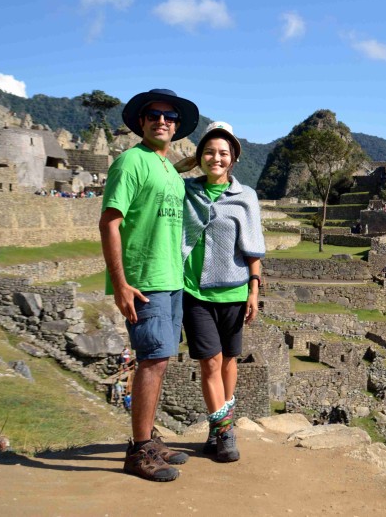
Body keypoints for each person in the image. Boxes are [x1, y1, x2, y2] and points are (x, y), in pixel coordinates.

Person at [99, 88, 199, 482]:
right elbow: (110, 222)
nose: (162, 121)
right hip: (145, 282)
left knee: (160, 361)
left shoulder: (167, 169)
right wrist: (120, 283)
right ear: (141, 122)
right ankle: (140, 451)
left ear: (176, 125)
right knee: (151, 361)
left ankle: (149, 438)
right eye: (154, 115)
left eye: (170, 116)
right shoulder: (130, 163)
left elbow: (175, 180)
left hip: (171, 279)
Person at [181, 121, 265, 463]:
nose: (216, 158)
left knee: (229, 361)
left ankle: (216, 430)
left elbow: (254, 247)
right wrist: (186, 163)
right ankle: (226, 430)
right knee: (210, 363)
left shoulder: (245, 197)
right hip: (195, 291)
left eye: (223, 153)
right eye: (209, 152)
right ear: (200, 155)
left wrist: (254, 289)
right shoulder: (186, 190)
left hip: (233, 291)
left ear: (233, 159)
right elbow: (163, 177)